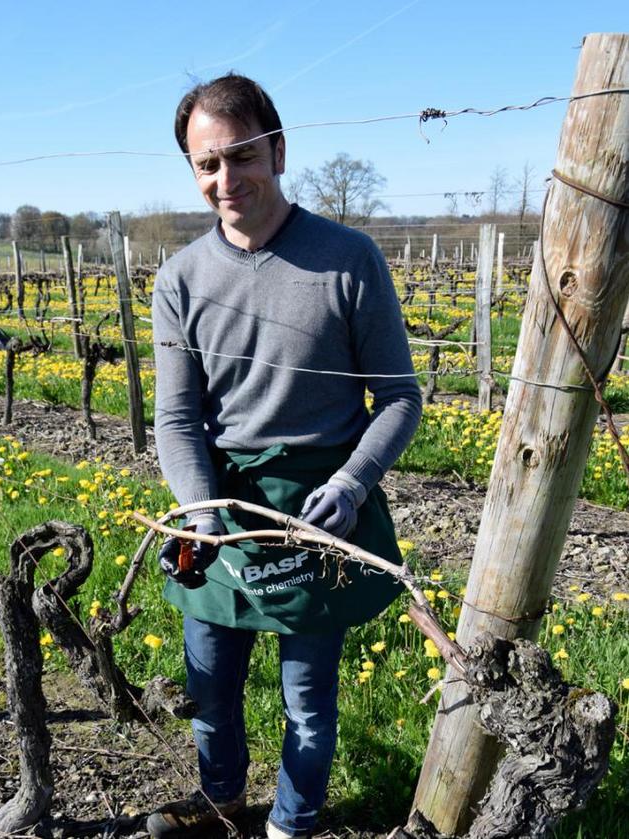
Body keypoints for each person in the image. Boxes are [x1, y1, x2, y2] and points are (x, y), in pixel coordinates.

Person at [148, 73, 422, 839]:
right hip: (221, 504)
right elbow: (176, 418)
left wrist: (351, 483)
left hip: (317, 509)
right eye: (206, 164)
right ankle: (221, 801)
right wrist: (201, 513)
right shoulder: (179, 279)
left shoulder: (347, 259)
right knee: (210, 687)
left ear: (277, 150)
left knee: (307, 698)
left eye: (241, 155)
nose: (225, 179)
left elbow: (399, 398)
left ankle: (291, 825)